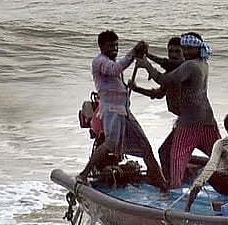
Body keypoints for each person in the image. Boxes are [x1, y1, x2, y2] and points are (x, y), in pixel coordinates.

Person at [79, 30, 165, 189]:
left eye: (116, 45)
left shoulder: (112, 61)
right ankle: (83, 175)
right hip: (112, 111)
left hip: (124, 111)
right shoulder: (100, 62)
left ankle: (159, 180)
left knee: (145, 146)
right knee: (110, 144)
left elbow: (118, 70)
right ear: (101, 46)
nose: (114, 49)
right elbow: (115, 69)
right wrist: (133, 53)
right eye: (111, 46)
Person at [137, 32, 220, 188]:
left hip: (188, 124)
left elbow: (165, 79)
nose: (186, 51)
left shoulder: (190, 65)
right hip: (208, 120)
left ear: (198, 48)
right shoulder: (202, 62)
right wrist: (148, 55)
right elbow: (168, 65)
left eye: (189, 48)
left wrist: (146, 65)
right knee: (221, 157)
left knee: (176, 162)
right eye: (185, 48)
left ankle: (173, 190)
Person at [128, 36, 184, 173]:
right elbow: (159, 93)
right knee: (167, 152)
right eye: (171, 52)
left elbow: (164, 71)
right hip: (182, 121)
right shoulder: (171, 72)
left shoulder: (185, 68)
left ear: (184, 53)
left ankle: (169, 186)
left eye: (177, 51)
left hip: (190, 121)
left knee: (164, 152)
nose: (174, 55)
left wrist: (147, 58)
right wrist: (137, 89)